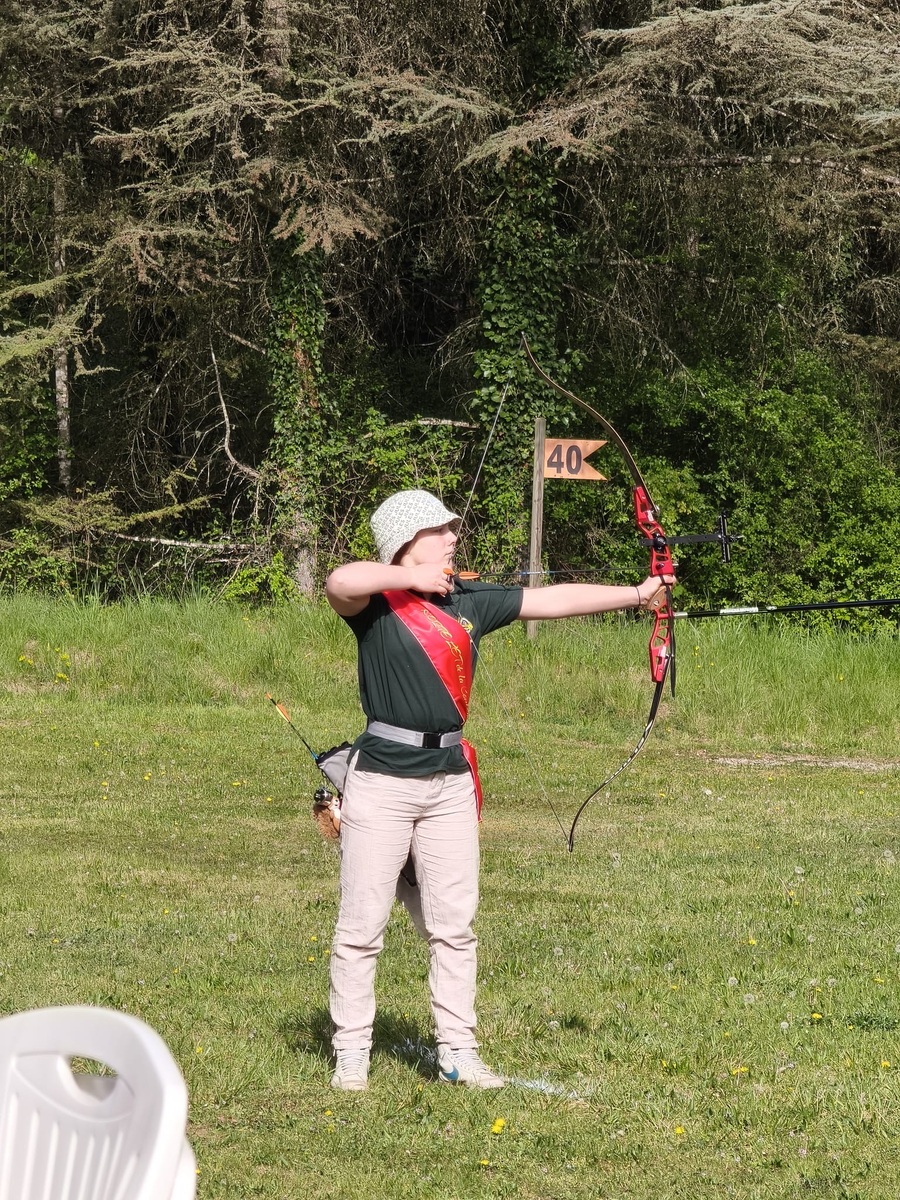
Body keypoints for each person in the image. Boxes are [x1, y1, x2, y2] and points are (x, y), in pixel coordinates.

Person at [324, 489, 675, 1091]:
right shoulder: (375, 603)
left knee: (453, 926)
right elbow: (338, 578)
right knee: (362, 928)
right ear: (410, 538)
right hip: (381, 781)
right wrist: (412, 577)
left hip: (450, 784)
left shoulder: (467, 600)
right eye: (442, 529)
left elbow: (551, 599)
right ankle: (351, 1053)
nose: (455, 536)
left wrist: (638, 593)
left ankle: (457, 1050)